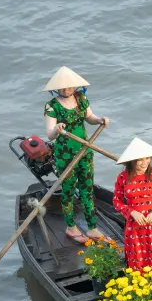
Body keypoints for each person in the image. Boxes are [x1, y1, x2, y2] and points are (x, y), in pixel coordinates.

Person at [43, 66, 110, 243]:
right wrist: (57, 130)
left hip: (84, 151)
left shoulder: (81, 98)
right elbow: (49, 134)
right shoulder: (52, 106)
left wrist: (100, 121)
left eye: (70, 86)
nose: (66, 90)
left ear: (75, 86)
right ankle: (71, 227)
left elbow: (90, 117)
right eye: (63, 87)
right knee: (69, 189)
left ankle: (92, 228)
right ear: (56, 88)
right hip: (65, 155)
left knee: (87, 188)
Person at [111, 138, 152, 272]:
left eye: (147, 158)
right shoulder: (123, 177)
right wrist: (132, 212)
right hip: (134, 225)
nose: (145, 163)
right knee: (137, 258)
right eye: (140, 160)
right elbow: (117, 201)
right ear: (132, 161)